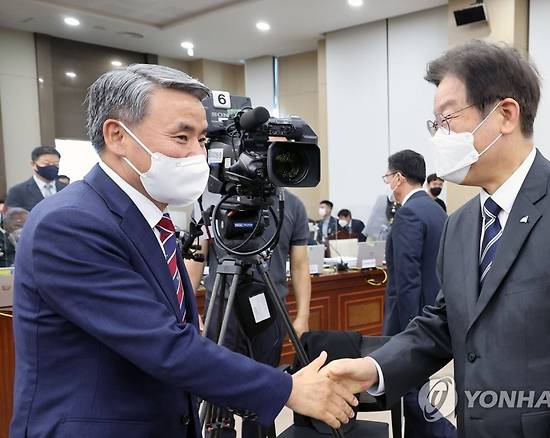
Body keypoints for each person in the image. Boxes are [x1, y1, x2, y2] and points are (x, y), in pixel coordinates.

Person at [10, 64, 357, 438]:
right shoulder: (70, 223)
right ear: (117, 135)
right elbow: (164, 345)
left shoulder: (151, 219)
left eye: (203, 139)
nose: (198, 154)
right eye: (182, 137)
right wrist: (288, 389)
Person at [322, 41, 550, 438]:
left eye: (448, 118)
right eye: (434, 124)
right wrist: (376, 367)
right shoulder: (460, 224)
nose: (439, 136)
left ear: (505, 114)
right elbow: (441, 323)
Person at [184, 187, 313, 438]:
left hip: (270, 306)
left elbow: (300, 264)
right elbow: (196, 258)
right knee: (217, 387)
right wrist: (188, 310)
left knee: (266, 388)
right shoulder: (214, 201)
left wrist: (303, 316)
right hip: (222, 304)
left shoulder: (292, 205)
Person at [382, 150, 452, 438]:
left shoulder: (409, 213)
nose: (387, 184)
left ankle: (444, 434)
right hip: (433, 311)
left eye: (388, 177)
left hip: (411, 318)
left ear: (398, 177)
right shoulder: (436, 209)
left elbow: (407, 279)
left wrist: (411, 331)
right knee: (415, 387)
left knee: (407, 388)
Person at [5, 146, 67, 211]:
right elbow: (10, 218)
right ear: (33, 164)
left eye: (56, 164)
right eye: (46, 164)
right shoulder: (18, 191)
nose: (51, 167)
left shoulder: (66, 189)